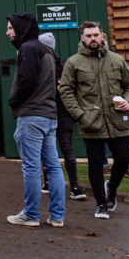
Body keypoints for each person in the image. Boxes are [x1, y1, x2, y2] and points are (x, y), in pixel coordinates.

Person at [59, 21, 129, 219]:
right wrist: (79, 114)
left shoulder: (116, 60)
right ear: (82, 38)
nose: (93, 39)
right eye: (88, 36)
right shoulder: (73, 62)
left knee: (123, 157)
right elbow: (66, 91)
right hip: (90, 121)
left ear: (102, 36)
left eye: (96, 35)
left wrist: (128, 102)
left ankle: (111, 186)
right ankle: (101, 203)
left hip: (117, 120)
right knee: (95, 163)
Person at [3, 14, 65, 227]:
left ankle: (30, 215)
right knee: (53, 166)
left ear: (20, 29)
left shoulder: (28, 48)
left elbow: (26, 81)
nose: (7, 32)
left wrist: (13, 100)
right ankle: (57, 216)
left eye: (11, 28)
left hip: (32, 117)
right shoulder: (43, 51)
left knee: (31, 167)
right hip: (48, 116)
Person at [39, 32, 84, 200]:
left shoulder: (65, 65)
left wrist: (65, 87)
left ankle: (74, 186)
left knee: (67, 148)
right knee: (47, 149)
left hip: (63, 112)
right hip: (45, 112)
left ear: (49, 48)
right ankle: (48, 182)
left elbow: (78, 88)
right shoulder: (37, 64)